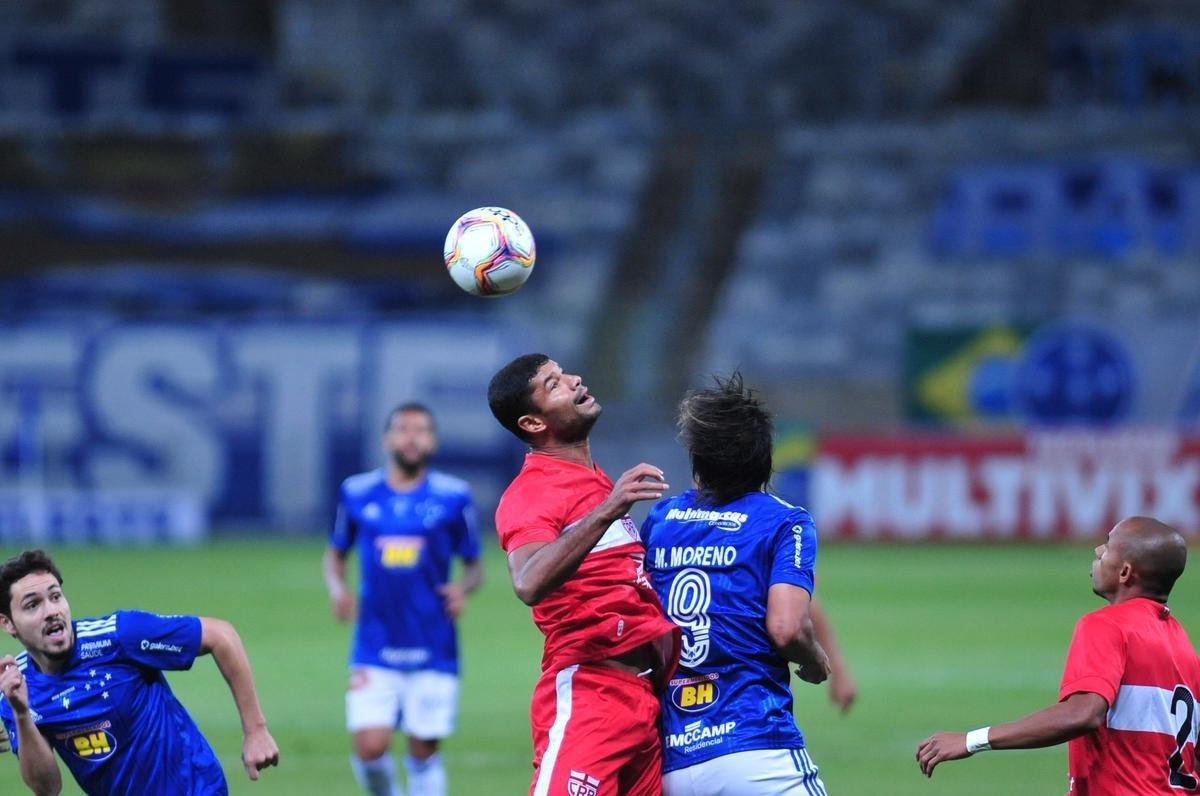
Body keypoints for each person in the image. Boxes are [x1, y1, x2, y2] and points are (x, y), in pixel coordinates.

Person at [487, 353, 682, 796]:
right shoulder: (532, 492)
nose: (575, 379)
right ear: (533, 424)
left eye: (566, 372)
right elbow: (528, 582)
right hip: (591, 693)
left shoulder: (593, 482)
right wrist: (611, 508)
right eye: (553, 384)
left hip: (643, 703)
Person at [641, 373, 832, 795]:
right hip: (753, 745)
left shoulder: (661, 520)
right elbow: (787, 627)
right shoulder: (786, 521)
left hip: (669, 756)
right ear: (765, 458)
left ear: (698, 462)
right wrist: (815, 660)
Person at [917, 516, 1200, 794]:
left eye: (1108, 545)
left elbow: (1084, 713)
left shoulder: (1107, 625)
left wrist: (971, 740)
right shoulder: (1184, 650)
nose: (1098, 551)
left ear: (1125, 572)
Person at [0, 549, 279, 795]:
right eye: (33, 605)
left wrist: (255, 730)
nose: (51, 611)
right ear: (8, 624)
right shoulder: (16, 689)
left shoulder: (120, 636)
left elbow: (221, 636)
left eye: (55, 596)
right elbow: (47, 788)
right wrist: (22, 715)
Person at [323, 402, 483, 796]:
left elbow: (475, 566)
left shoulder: (454, 496)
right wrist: (338, 589)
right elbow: (336, 553)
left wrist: (461, 589)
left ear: (433, 441)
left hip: (433, 644)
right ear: (387, 438)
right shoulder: (357, 492)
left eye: (422, 430)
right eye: (403, 429)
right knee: (369, 748)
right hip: (375, 643)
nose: (412, 437)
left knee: (423, 750)